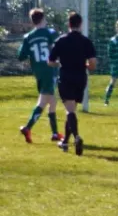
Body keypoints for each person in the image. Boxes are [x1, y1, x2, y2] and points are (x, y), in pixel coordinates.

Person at [48, 12, 97, 155]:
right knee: (72, 111)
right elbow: (93, 64)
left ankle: (77, 137)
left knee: (70, 111)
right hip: (80, 78)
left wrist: (60, 63)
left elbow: (51, 62)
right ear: (80, 24)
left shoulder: (61, 41)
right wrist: (85, 66)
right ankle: (65, 142)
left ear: (68, 24)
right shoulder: (86, 41)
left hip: (66, 77)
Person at [17, 8, 63, 143]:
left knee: (52, 101)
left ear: (32, 21)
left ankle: (55, 133)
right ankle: (27, 127)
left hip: (38, 72)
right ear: (43, 19)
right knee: (43, 102)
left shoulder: (28, 37)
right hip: (50, 70)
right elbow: (60, 45)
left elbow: (20, 56)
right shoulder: (50, 33)